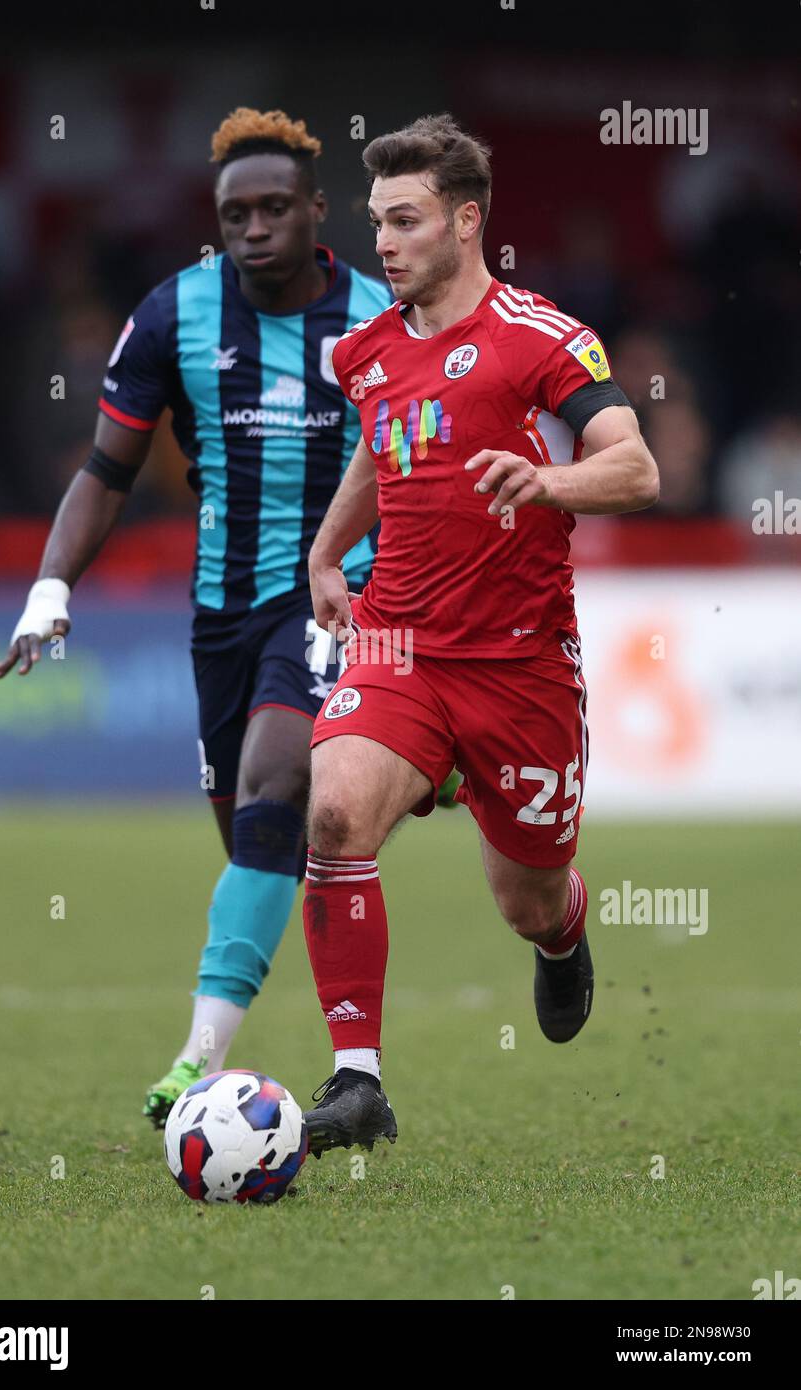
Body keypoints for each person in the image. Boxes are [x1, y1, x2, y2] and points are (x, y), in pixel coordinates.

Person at [0, 108, 391, 1126]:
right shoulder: (174, 314)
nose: (253, 228)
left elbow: (410, 467)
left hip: (330, 599)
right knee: (258, 833)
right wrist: (51, 586)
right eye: (233, 214)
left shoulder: (375, 319)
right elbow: (105, 469)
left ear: (314, 212)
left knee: (273, 782)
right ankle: (327, 1029)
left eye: (272, 209)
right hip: (217, 616)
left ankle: (194, 1066)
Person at [299, 113, 660, 1156]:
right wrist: (328, 555)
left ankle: (562, 932)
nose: (384, 241)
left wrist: (546, 479)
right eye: (376, 221)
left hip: (519, 666)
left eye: (404, 221)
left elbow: (634, 466)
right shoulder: (365, 352)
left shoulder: (539, 338)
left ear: (465, 223)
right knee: (331, 815)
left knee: (526, 895)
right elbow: (380, 454)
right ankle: (357, 1079)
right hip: (398, 645)